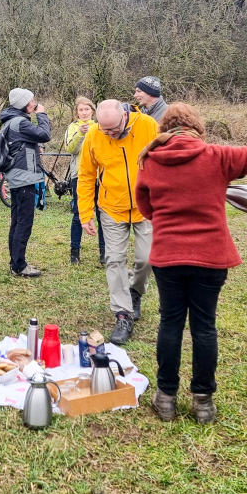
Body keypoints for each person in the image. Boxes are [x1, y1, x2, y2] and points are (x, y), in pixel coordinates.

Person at [136, 103, 247, 424]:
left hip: (168, 254)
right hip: (210, 257)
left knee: (170, 323)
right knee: (204, 326)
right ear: (198, 127)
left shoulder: (149, 160)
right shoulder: (218, 156)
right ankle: (203, 402)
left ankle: (166, 397)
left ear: (164, 130)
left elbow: (145, 208)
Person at [77, 99, 157, 344]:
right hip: (111, 207)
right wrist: (85, 213)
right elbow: (86, 175)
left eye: (113, 129)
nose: (109, 134)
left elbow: (166, 159)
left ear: (124, 116)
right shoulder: (94, 134)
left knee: (147, 258)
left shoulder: (148, 125)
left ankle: (135, 292)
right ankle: (123, 314)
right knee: (114, 259)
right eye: (105, 130)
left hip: (146, 206)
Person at [0, 88, 51, 278]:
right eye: (31, 101)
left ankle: (15, 262)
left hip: (17, 175)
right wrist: (42, 115)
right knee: (24, 221)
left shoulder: (11, 121)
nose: (34, 104)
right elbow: (44, 134)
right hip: (24, 177)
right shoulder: (20, 122)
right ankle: (19, 265)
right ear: (22, 104)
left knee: (17, 220)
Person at [64, 96, 105, 265]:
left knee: (103, 215)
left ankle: (104, 252)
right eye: (81, 110)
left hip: (100, 176)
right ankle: (75, 252)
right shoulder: (73, 127)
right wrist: (80, 134)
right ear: (77, 112)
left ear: (93, 111)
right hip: (79, 176)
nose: (84, 112)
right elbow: (70, 149)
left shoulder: (100, 127)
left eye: (87, 109)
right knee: (78, 214)